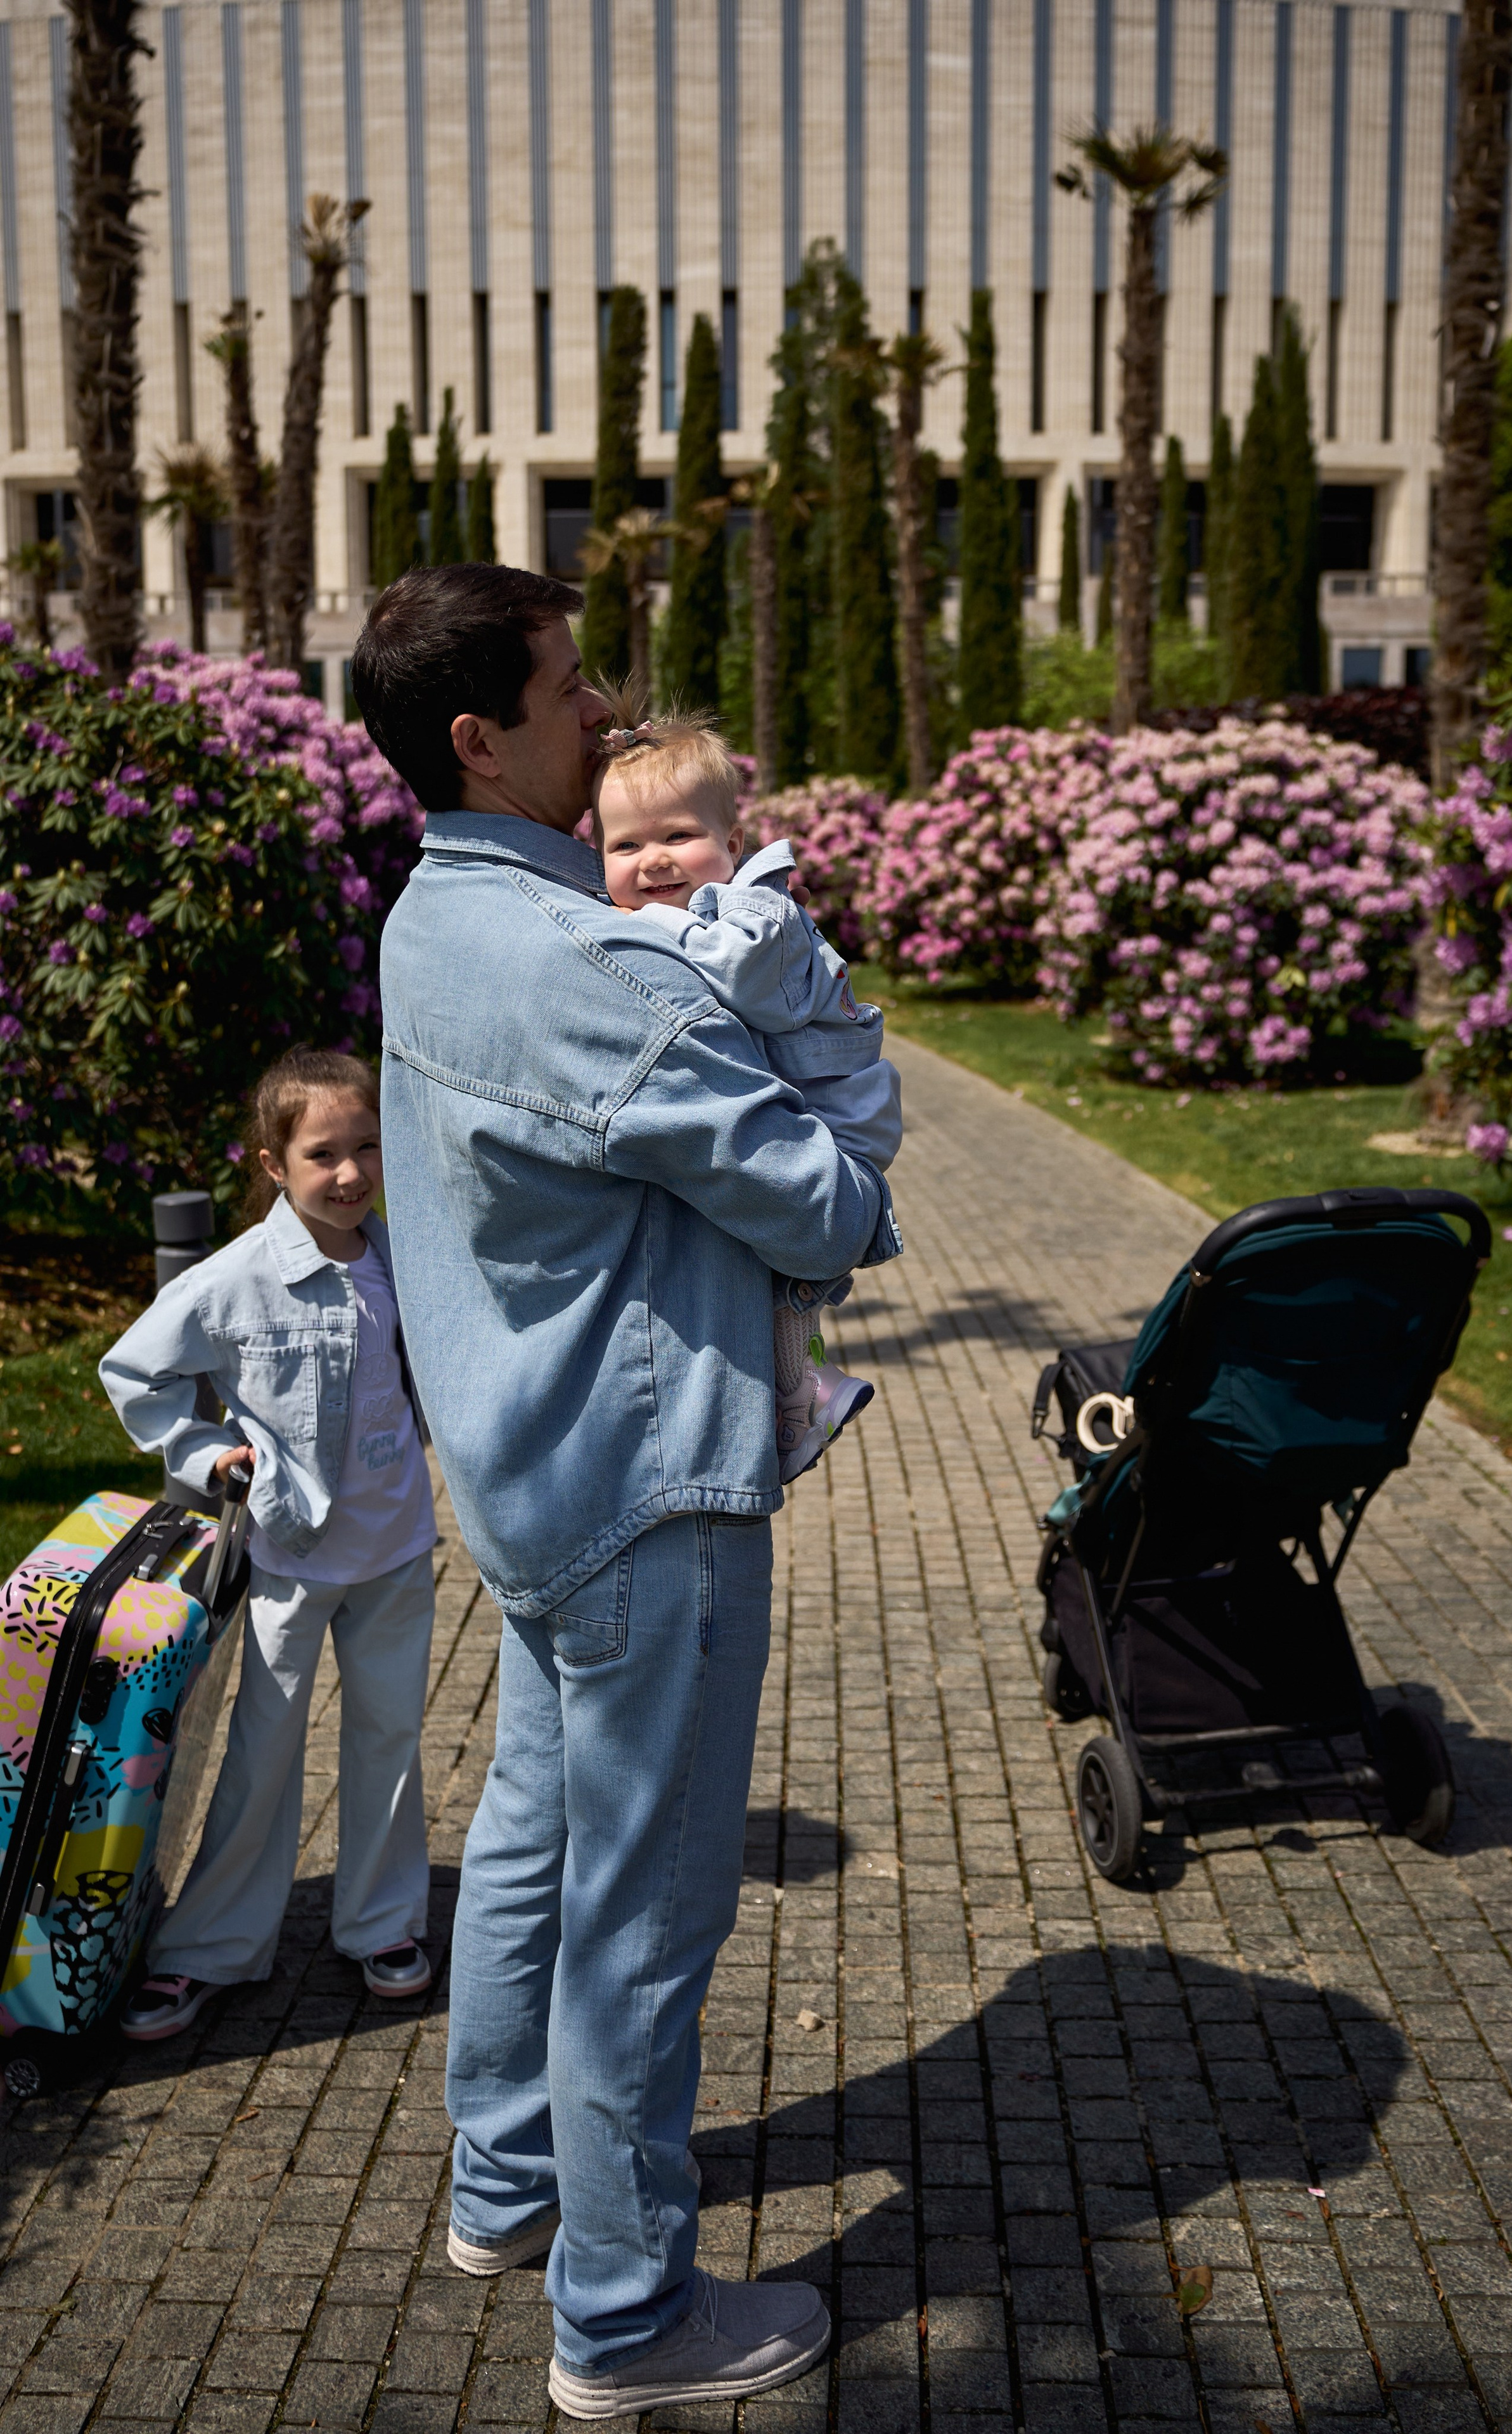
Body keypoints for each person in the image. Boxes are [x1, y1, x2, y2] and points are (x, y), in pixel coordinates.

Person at [350, 564, 899, 2420]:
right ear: (476, 736)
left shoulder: (427, 914)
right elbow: (837, 1205)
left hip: (518, 1474)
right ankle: (625, 2313)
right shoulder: (583, 968)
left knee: (525, 1837)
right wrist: (813, 1009)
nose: (606, 713)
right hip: (643, 1491)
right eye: (573, 689)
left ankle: (505, 2187)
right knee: (644, 1915)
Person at [99, 1050, 439, 2039]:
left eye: (366, 1147)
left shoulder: (404, 1256)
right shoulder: (234, 1279)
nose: (350, 1173)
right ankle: (210, 1948)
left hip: (395, 1553)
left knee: (390, 1740)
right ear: (273, 1164)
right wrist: (209, 1457)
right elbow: (136, 1373)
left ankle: (383, 1923)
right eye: (322, 1153)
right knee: (262, 1754)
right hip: (291, 1557)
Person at [592, 705, 902, 1480]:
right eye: (626, 845)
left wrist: (634, 926)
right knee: (771, 1277)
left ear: (733, 845)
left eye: (677, 836)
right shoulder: (700, 904)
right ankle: (805, 1394)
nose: (654, 861)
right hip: (814, 1107)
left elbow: (731, 973)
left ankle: (803, 1399)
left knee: (788, 1274)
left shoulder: (757, 908)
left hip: (840, 1119)